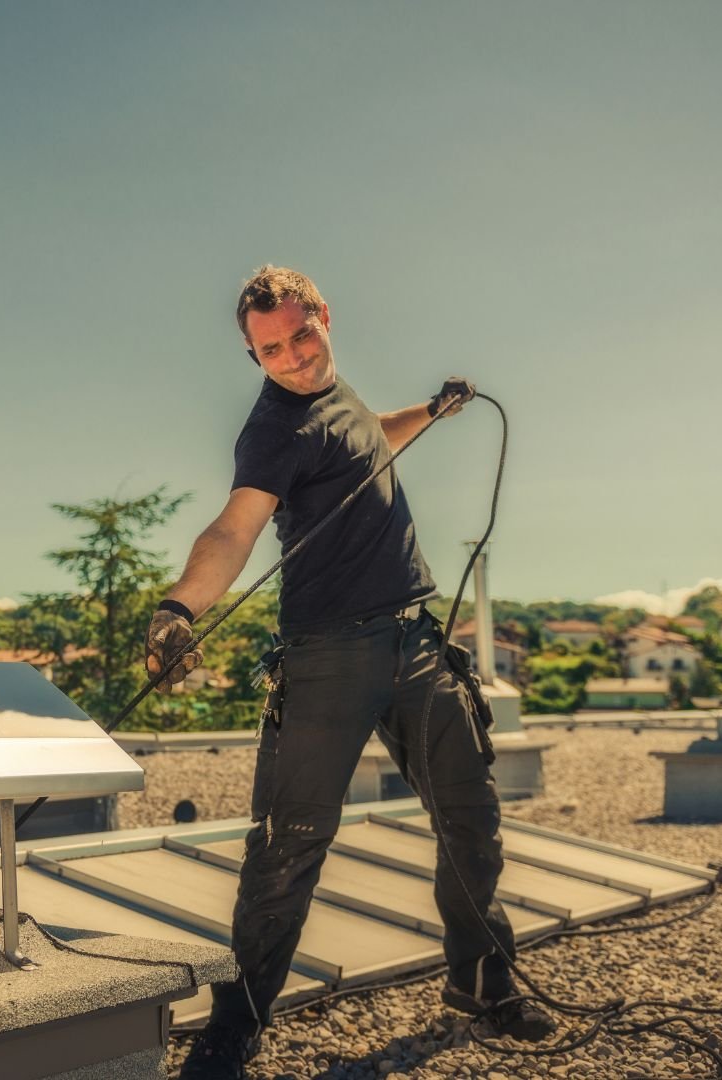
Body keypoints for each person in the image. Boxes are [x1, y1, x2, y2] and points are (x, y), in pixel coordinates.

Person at [148, 266, 557, 1079]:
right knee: (288, 845)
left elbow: (372, 434)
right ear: (251, 353)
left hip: (416, 641)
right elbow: (233, 530)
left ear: (325, 318)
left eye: (302, 335)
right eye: (271, 350)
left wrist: (433, 413)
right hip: (326, 655)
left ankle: (484, 983)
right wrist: (177, 611)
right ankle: (237, 1027)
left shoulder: (339, 398)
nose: (294, 358)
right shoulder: (272, 431)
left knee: (470, 819)